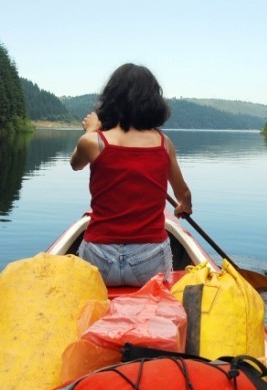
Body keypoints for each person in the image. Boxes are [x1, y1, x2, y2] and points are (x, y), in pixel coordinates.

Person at [70, 63, 192, 287]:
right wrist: (185, 205)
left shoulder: (92, 141)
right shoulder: (164, 143)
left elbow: (75, 164)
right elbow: (183, 193)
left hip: (100, 257)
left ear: (111, 99)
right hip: (149, 260)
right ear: (153, 102)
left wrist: (90, 131)